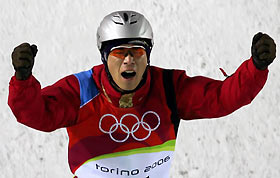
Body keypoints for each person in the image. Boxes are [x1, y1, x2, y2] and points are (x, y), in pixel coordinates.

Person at [8, 10, 276, 178]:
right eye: (119, 52)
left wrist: (255, 67)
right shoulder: (81, 90)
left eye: (137, 52)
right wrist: (23, 80)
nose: (128, 61)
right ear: (104, 57)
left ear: (147, 56)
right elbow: (37, 114)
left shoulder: (169, 87)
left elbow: (221, 98)